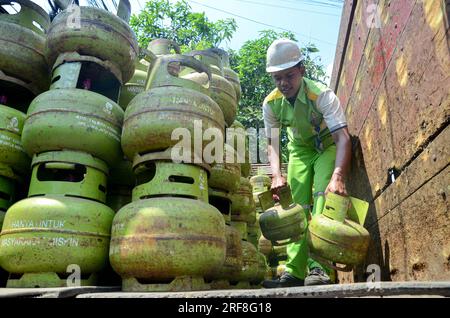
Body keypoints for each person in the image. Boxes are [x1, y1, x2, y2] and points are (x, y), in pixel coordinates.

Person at [262, 39, 351, 288]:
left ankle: (320, 270)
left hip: (326, 146)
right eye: (277, 78)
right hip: (299, 151)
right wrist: (276, 175)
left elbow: (342, 137)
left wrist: (339, 177)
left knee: (323, 196)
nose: (283, 83)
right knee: (295, 208)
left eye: (289, 75)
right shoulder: (270, 104)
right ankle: (294, 273)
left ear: (301, 70)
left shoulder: (321, 95)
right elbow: (272, 143)